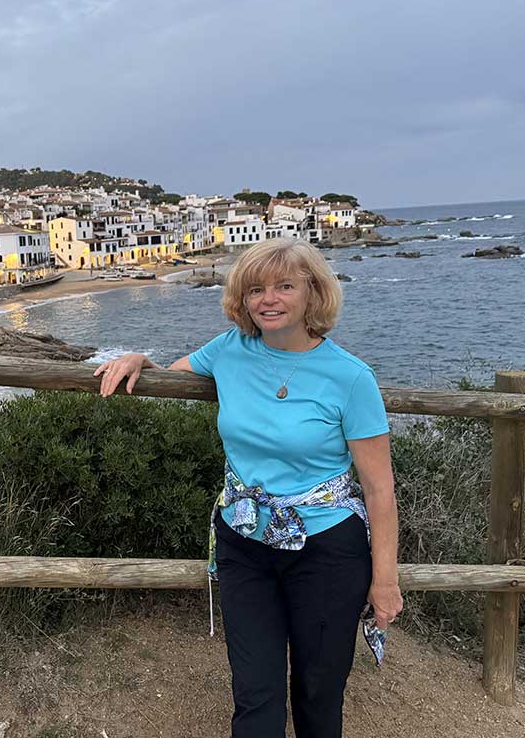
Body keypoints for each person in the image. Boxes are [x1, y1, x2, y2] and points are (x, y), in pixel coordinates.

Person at [93, 238, 403, 738]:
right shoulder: (230, 349)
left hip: (326, 551)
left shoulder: (351, 378)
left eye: (284, 286)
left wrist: (384, 581)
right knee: (254, 696)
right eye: (256, 288)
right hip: (244, 544)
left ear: (313, 293)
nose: (268, 299)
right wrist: (136, 359)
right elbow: (170, 378)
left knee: (319, 694)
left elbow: (379, 489)